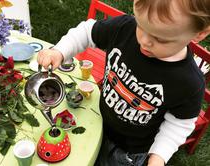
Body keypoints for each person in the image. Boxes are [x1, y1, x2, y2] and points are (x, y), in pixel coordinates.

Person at [37, 0, 210, 165]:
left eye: (161, 39)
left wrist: (158, 156)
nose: (145, 41)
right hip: (98, 121)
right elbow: (87, 32)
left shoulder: (189, 83)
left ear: (199, 34)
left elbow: (179, 124)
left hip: (129, 152)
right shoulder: (124, 28)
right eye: (141, 26)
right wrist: (59, 51)